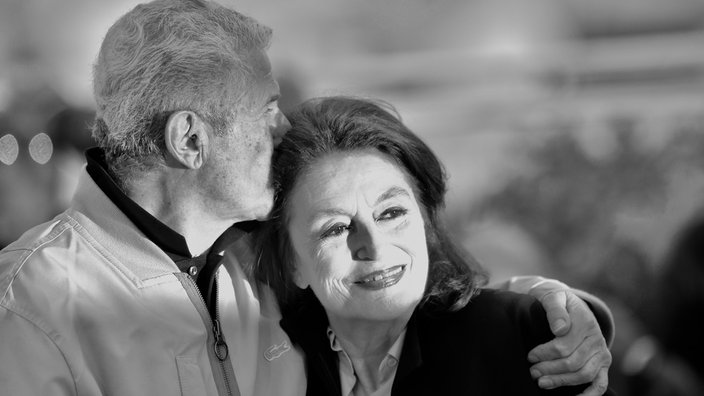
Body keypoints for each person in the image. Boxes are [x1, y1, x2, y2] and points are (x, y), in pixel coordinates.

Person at [0, 1, 611, 395]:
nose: (284, 130)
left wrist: (552, 306)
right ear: (190, 139)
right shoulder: (28, 311)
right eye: (266, 113)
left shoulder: (252, 261)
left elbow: (424, 295)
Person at [257, 96, 614, 396]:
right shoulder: (275, 370)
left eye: (392, 212)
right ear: (291, 262)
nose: (375, 247)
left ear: (426, 221)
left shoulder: (517, 338)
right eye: (336, 228)